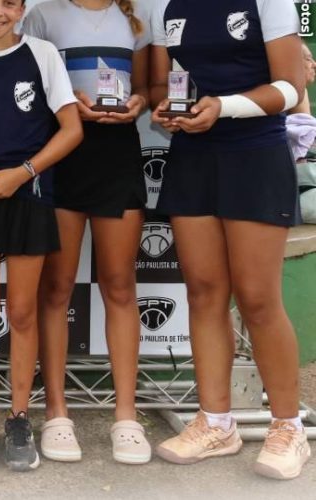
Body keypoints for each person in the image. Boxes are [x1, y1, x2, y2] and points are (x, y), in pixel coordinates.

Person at [149, 0, 311, 480]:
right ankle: (216, 423)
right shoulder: (163, 4)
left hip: (255, 155)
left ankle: (288, 427)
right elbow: (161, 82)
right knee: (203, 292)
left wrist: (223, 106)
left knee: (258, 298)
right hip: (193, 156)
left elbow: (290, 87)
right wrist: (167, 107)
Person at [0, 0, 82, 472]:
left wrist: (23, 173)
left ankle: (20, 417)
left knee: (23, 313)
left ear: (22, 8)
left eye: (9, 2)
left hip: (29, 196)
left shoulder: (42, 54)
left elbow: (71, 130)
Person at [22, 0, 151, 465]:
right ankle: (56, 411)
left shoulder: (136, 18)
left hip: (118, 156)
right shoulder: (42, 16)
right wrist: (66, 103)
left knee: (120, 286)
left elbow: (150, 87)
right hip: (62, 156)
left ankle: (126, 416)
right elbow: (27, 90)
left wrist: (139, 103)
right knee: (56, 288)